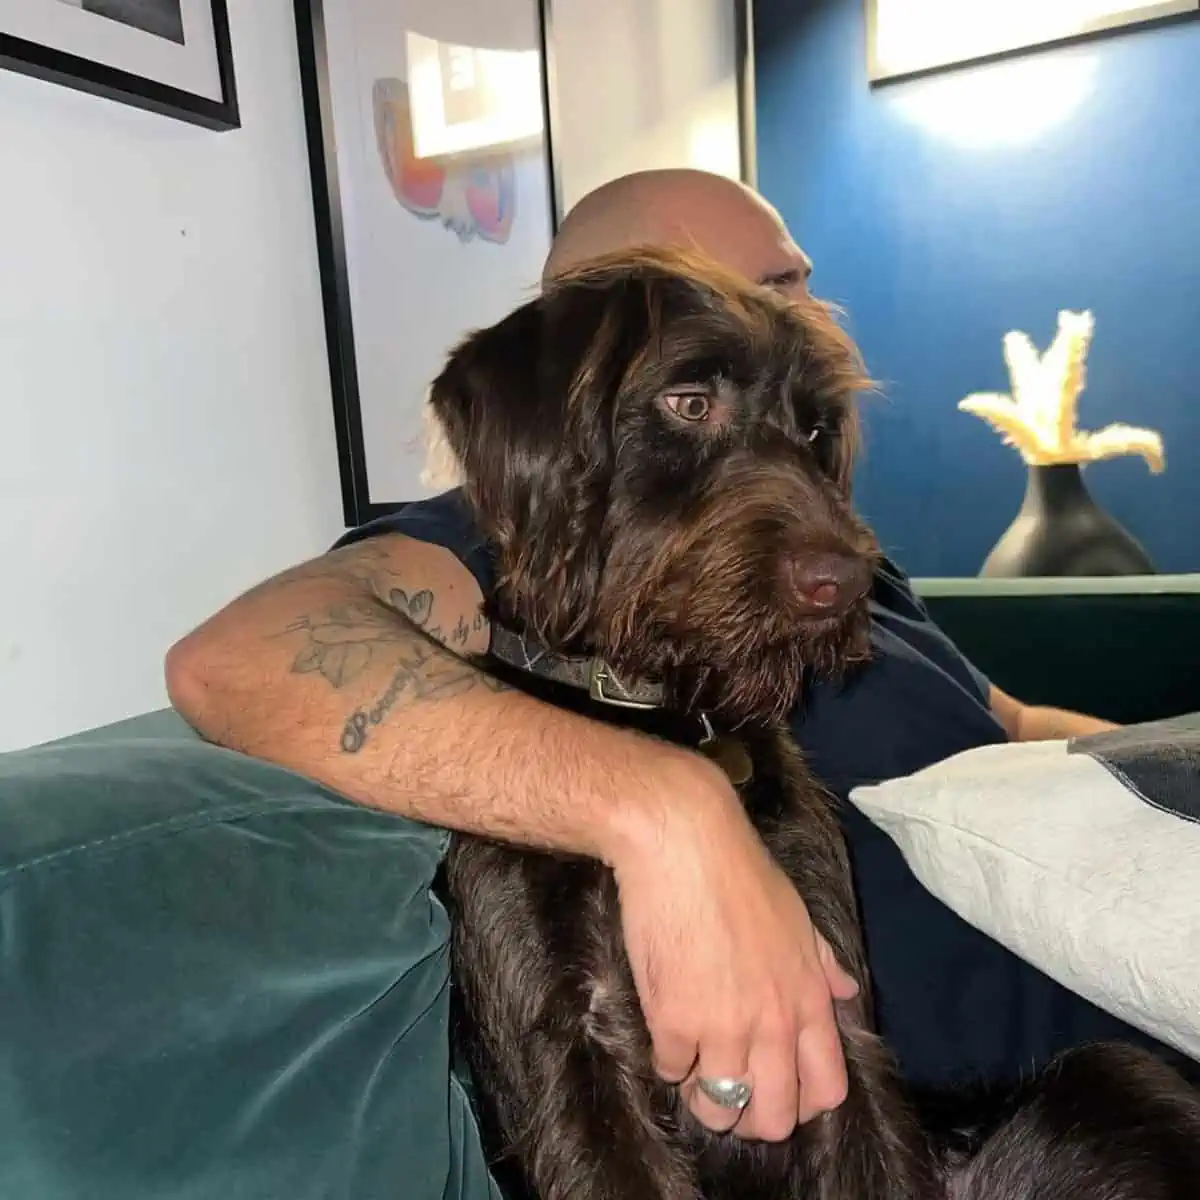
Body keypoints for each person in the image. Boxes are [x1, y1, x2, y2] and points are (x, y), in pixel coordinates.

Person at [167, 169, 1156, 1149]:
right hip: (982, 1117)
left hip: (1128, 1012)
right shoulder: (536, 534)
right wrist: (670, 813)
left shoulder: (834, 551)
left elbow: (1012, 718)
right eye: (771, 291)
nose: (822, 319)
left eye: (806, 284)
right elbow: (238, 660)